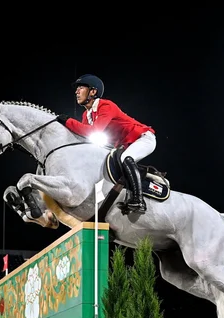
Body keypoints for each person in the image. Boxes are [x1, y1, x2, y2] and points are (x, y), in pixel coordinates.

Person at [56, 74, 156, 214]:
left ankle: (139, 201)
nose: (76, 92)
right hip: (124, 145)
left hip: (143, 138)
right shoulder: (87, 115)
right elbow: (84, 139)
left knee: (126, 159)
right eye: (77, 89)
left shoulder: (106, 105)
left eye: (80, 88)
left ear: (93, 91)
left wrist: (68, 122)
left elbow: (92, 131)